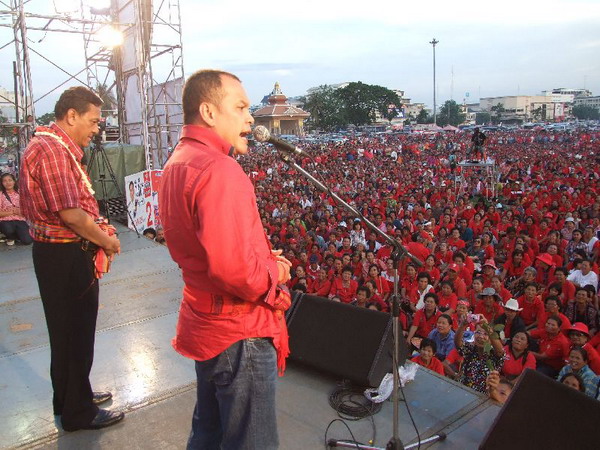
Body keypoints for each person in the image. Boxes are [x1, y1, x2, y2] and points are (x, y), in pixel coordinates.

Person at [158, 70, 292, 449]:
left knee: (210, 433)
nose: (251, 117)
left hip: (205, 320)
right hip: (238, 333)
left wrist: (258, 256)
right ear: (209, 112)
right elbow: (235, 272)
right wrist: (274, 268)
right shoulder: (220, 169)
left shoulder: (179, 161)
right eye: (241, 107)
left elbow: (205, 250)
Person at [19, 86, 123, 431]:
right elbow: (73, 215)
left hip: (61, 253)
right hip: (64, 255)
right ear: (71, 116)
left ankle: (72, 396)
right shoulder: (51, 150)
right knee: (75, 332)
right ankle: (78, 413)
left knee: (67, 332)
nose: (97, 129)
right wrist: (106, 241)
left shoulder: (57, 146)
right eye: (93, 121)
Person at [454, 315, 505, 393]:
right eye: (478, 332)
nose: (481, 336)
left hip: (482, 397)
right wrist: (463, 325)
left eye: (485, 334)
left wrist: (487, 328)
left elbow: (500, 351)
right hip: (462, 391)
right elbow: (458, 343)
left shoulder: (494, 355)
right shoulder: (470, 349)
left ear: (491, 339)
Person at [0, 173, 32, 245]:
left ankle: (16, 236)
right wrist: (12, 212)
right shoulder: (0, 194)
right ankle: (10, 236)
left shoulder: (21, 193)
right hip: (5, 220)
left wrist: (22, 212)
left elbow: (28, 210)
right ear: (2, 183)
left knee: (27, 241)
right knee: (8, 229)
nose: (8, 183)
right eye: (4, 181)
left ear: (14, 181)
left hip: (20, 219)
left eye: (10, 180)